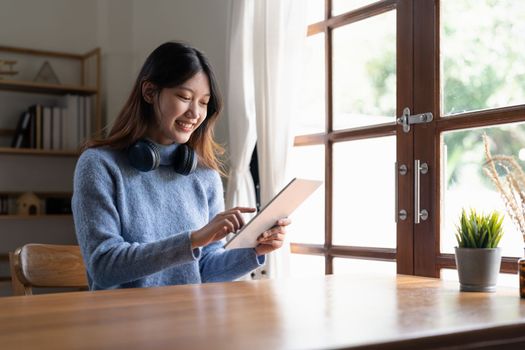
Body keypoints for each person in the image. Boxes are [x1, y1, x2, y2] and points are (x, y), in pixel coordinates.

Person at [72, 41, 290, 290]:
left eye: (204, 102)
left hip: (188, 319)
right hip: (123, 323)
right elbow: (104, 266)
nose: (195, 113)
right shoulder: (98, 165)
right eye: (185, 97)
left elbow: (205, 268)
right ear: (150, 92)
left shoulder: (204, 175)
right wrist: (193, 240)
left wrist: (254, 251)